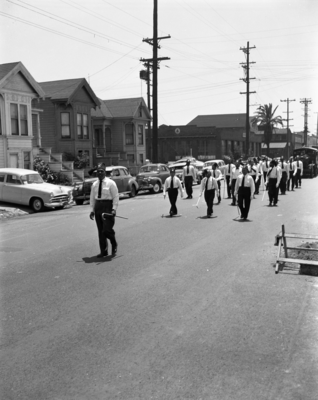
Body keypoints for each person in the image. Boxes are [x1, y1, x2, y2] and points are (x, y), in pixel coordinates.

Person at [89, 163, 119, 257]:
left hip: (107, 206)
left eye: (102, 171)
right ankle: (103, 251)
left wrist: (114, 209)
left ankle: (113, 243)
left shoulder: (111, 183)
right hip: (98, 207)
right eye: (98, 172)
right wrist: (92, 210)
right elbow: (92, 198)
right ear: (96, 173)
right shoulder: (94, 184)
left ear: (105, 172)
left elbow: (115, 197)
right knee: (100, 230)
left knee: (106, 229)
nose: (100, 173)